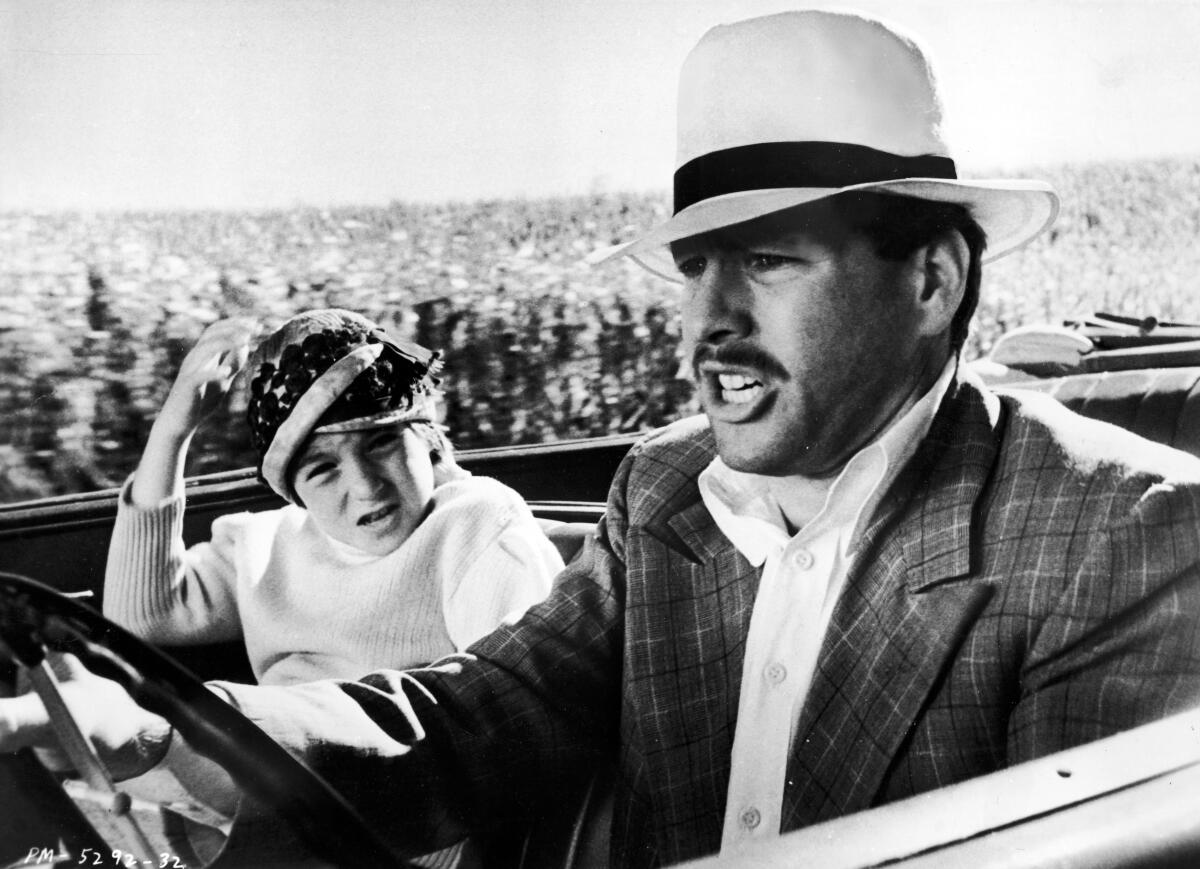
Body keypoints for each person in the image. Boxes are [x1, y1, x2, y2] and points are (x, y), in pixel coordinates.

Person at [3, 10, 1200, 868]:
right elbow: (474, 716)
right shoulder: (662, 494)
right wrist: (175, 735)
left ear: (931, 277)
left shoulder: (1123, 536)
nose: (707, 323)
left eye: (769, 260)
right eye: (696, 270)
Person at [104, 307, 563, 687]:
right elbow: (144, 615)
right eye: (323, 471)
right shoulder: (263, 549)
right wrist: (173, 431)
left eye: (381, 443)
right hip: (278, 770)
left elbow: (506, 702)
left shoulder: (475, 524)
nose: (365, 487)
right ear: (293, 491)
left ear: (424, 436)